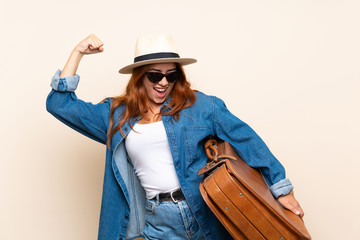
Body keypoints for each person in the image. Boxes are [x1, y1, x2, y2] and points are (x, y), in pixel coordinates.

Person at [46, 34, 304, 240]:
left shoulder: (201, 106)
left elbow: (247, 139)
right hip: (156, 219)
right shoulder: (118, 114)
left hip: (205, 211)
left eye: (171, 75)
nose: (163, 83)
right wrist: (77, 53)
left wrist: (282, 189)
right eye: (155, 75)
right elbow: (60, 104)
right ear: (140, 77)